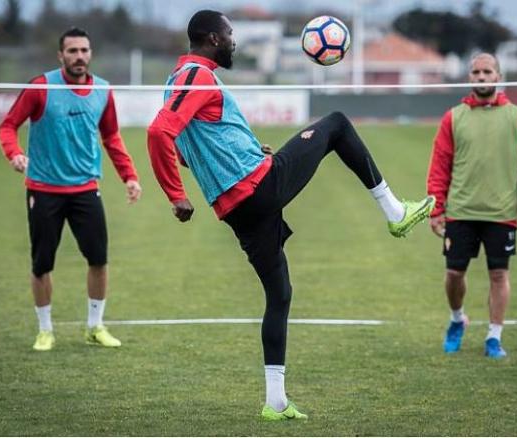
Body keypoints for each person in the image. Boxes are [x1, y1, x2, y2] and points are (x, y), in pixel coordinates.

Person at [147, 10, 433, 420]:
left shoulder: (176, 81)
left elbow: (190, 150)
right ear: (212, 38)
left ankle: (275, 401)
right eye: (229, 34)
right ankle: (395, 210)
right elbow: (160, 133)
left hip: (236, 209)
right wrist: (175, 195)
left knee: (279, 294)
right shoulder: (197, 75)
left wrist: (243, 154)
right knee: (336, 124)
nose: (233, 41)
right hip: (256, 190)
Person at [0, 27, 142, 351]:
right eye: (73, 51)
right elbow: (8, 125)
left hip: (85, 190)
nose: (79, 56)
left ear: (91, 54)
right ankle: (45, 330)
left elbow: (112, 137)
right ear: (60, 55)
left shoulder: (103, 90)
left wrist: (129, 176)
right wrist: (15, 153)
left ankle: (95, 326)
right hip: (44, 189)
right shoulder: (41, 86)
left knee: (98, 259)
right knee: (42, 264)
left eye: (84, 50)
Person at [427, 53, 517, 359]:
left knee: (499, 276)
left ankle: (494, 336)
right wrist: (436, 208)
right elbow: (440, 165)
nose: (480, 76)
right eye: (475, 71)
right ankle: (457, 320)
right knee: (453, 274)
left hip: (502, 213)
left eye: (487, 71)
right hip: (461, 211)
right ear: (470, 77)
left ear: (497, 76)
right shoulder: (454, 117)